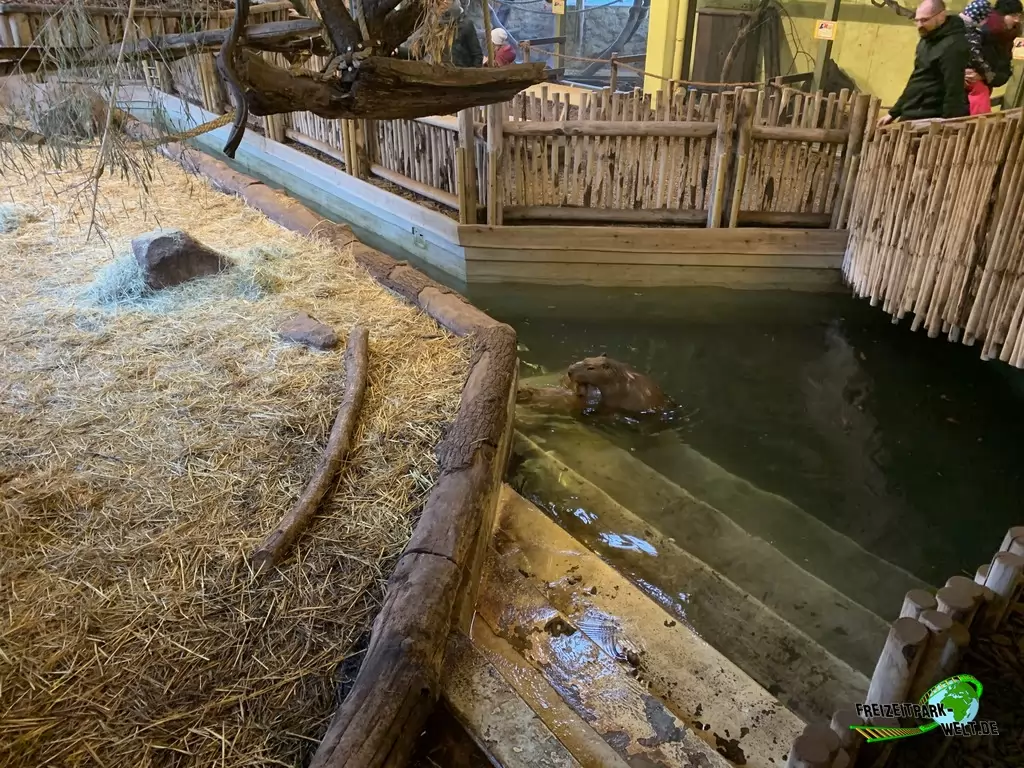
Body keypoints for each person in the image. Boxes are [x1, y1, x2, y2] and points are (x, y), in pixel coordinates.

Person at [878, 0, 972, 126]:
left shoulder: (954, 46)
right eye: (917, 20)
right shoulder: (927, 38)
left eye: (924, 20)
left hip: (932, 116)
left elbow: (954, 88)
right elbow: (917, 79)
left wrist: (949, 123)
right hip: (913, 110)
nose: (919, 25)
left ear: (941, 16)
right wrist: (894, 112)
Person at [961, 0, 1023, 114]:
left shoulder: (1006, 38)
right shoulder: (982, 34)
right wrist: (960, 73)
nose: (1017, 20)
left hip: (979, 90)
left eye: (1019, 16)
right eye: (1013, 15)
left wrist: (986, 77)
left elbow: (1003, 70)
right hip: (959, 91)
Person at [444, 0, 484, 68]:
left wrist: (473, 72)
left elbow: (477, 54)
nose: (445, 2)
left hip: (462, 69)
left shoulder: (466, 25)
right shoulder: (437, 25)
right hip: (443, 69)